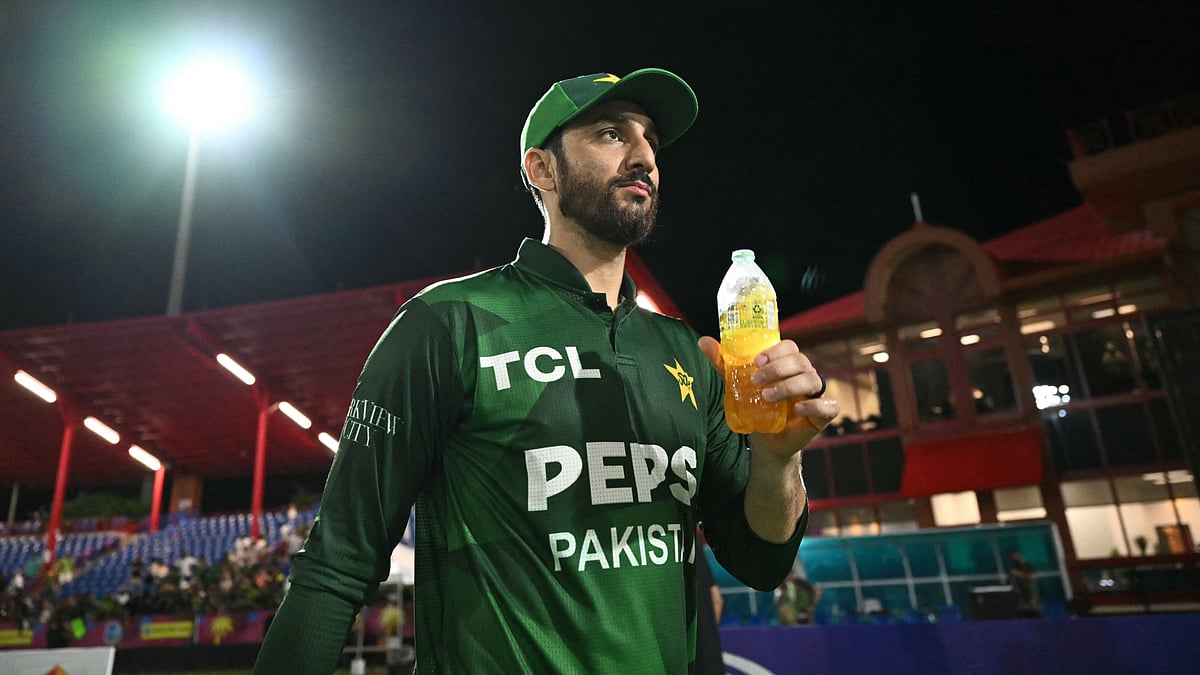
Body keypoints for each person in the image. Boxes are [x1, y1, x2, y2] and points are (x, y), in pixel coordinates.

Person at [253, 67, 837, 674]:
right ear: (543, 170)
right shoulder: (447, 323)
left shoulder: (690, 352)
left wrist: (776, 460)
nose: (643, 156)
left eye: (651, 142)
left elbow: (760, 562)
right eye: (612, 134)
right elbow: (337, 563)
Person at [1007, 548, 1042, 617]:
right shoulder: (1015, 567)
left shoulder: (1027, 565)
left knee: (1035, 611)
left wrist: (1018, 574)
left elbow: (1032, 577)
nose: (1013, 559)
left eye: (1013, 556)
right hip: (1021, 593)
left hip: (1031, 592)